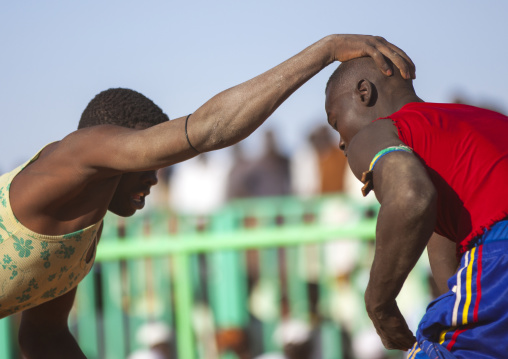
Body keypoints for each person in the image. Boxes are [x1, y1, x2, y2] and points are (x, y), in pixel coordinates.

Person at [0, 34, 414, 358]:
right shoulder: (80, 149)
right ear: (116, 144)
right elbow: (205, 130)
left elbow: (44, 338)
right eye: (151, 161)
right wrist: (325, 51)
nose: (156, 179)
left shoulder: (82, 235)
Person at [324, 55, 508, 358]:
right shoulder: (473, 120)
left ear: (363, 92)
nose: (342, 143)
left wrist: (378, 302)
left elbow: (411, 196)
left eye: (336, 122)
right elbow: (451, 278)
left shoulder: (380, 133)